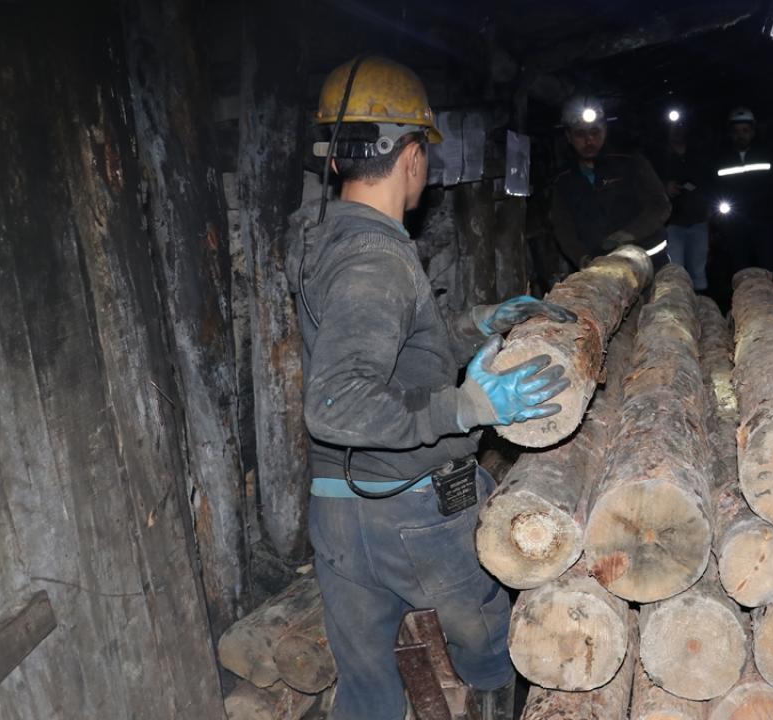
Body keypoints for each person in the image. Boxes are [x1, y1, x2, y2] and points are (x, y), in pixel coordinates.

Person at [285, 56, 577, 720]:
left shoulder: (330, 238)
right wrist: (466, 406)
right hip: (412, 510)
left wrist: (477, 324)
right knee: (490, 646)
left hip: (340, 512)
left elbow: (385, 351)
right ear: (413, 156)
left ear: (338, 156)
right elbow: (336, 402)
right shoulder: (376, 258)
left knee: (367, 692)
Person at [549, 95, 671, 268]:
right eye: (580, 134)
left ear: (605, 129)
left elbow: (660, 206)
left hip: (651, 261)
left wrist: (627, 235)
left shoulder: (631, 162)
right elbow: (563, 227)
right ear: (568, 136)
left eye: (595, 132)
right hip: (603, 270)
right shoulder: (563, 180)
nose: (589, 140)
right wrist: (581, 258)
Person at [711, 106, 773, 277]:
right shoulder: (722, 158)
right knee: (739, 267)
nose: (740, 135)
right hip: (735, 223)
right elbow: (716, 189)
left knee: (767, 267)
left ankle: (770, 293)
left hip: (763, 220)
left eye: (745, 131)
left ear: (753, 132)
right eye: (736, 131)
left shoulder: (766, 154)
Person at [649, 109, 711, 291]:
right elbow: (648, 185)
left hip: (698, 221)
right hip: (672, 223)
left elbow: (710, 181)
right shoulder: (658, 156)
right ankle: (678, 303)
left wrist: (709, 209)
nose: (677, 130)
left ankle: (701, 305)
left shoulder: (698, 153)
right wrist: (664, 186)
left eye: (681, 125)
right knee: (676, 271)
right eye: (673, 126)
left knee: (698, 272)